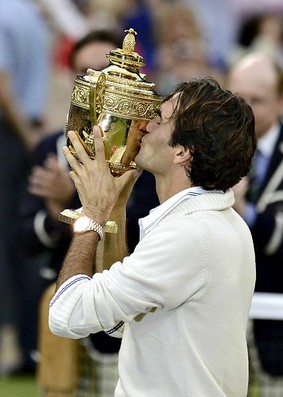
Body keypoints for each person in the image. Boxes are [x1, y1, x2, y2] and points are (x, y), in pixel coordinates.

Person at [49, 77, 257, 397]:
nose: (144, 124)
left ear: (182, 153)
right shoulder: (219, 223)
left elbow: (66, 313)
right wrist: (115, 211)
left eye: (159, 119)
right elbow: (120, 320)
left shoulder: (189, 236)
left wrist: (92, 213)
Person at [17, 30, 123, 394]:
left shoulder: (142, 149)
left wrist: (69, 203)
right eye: (83, 73)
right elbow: (26, 239)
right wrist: (63, 209)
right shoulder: (50, 146)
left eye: (102, 71)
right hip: (62, 313)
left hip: (121, 317)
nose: (93, 83)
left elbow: (140, 231)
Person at [227, 52, 283, 395]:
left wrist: (246, 211)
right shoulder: (205, 150)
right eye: (237, 99)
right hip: (221, 321)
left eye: (256, 101)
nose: (244, 110)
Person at [0, 0, 50, 376]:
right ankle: (33, 344)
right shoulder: (31, 14)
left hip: (9, 134)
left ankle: (14, 345)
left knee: (8, 243)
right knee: (21, 240)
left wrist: (27, 135)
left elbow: (2, 85)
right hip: (26, 128)